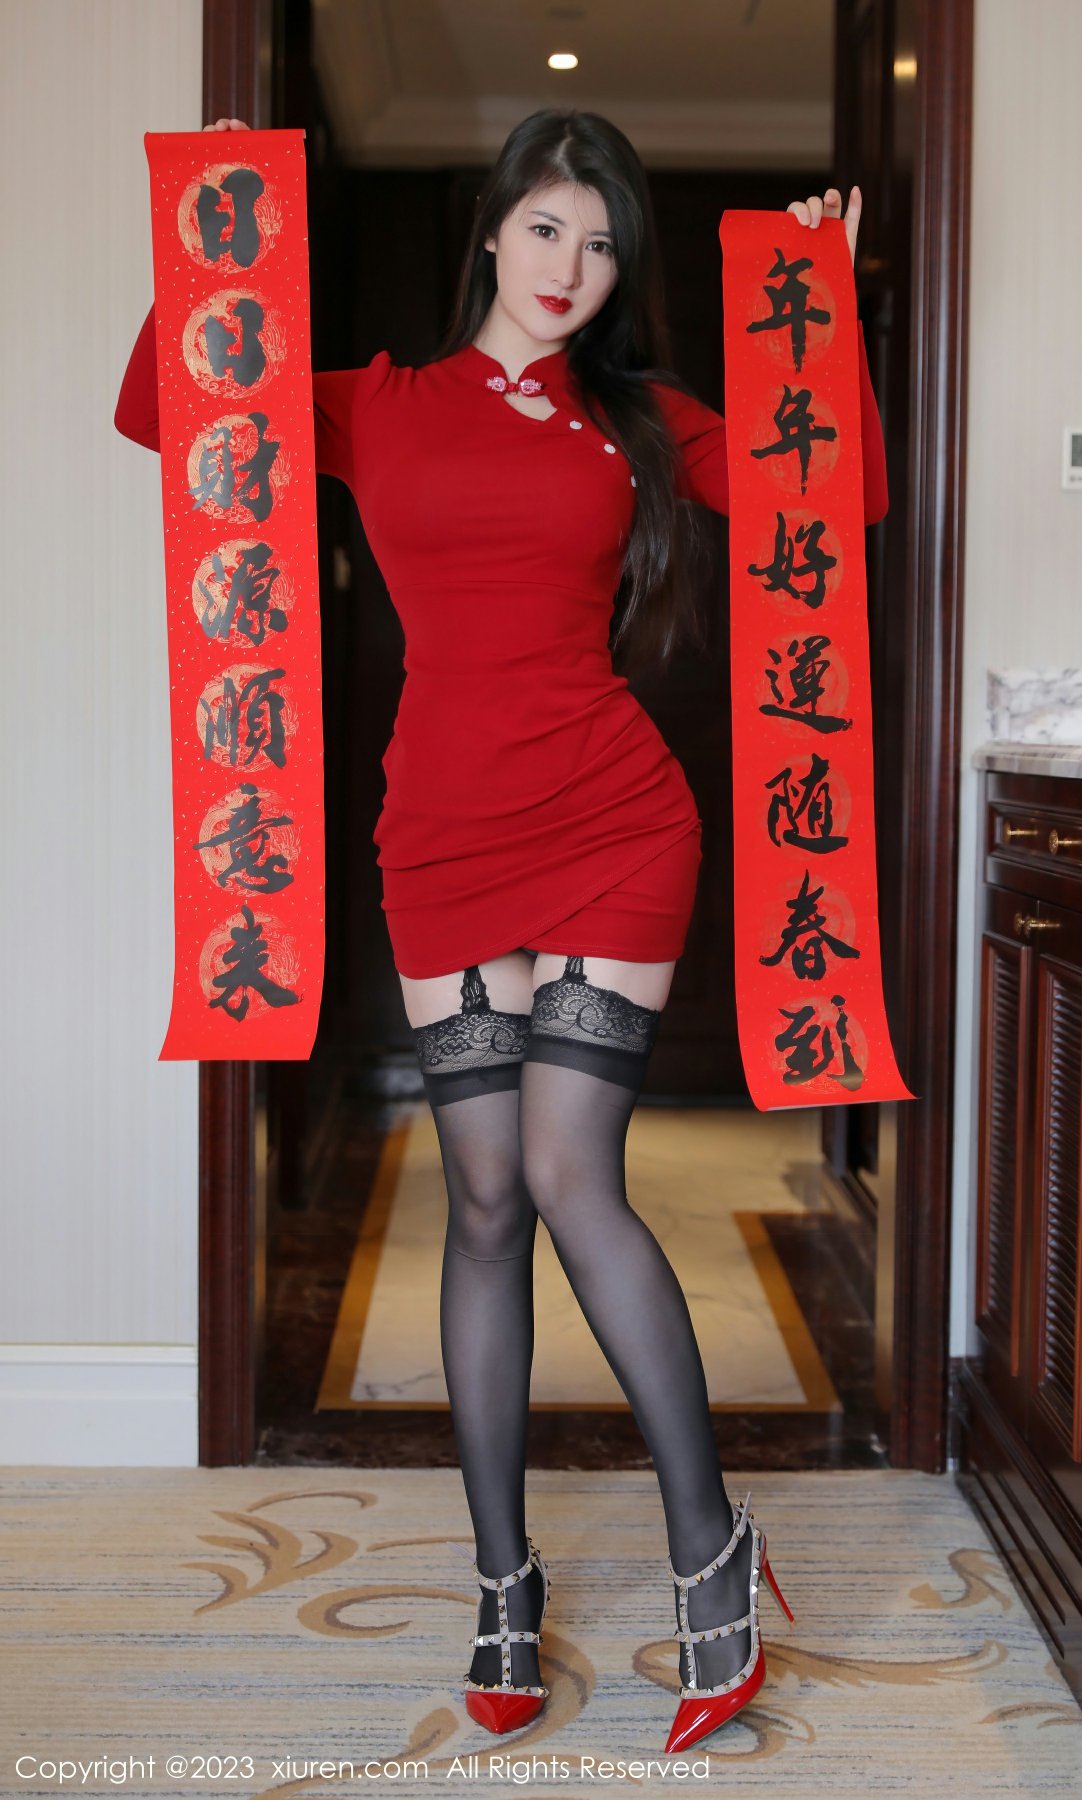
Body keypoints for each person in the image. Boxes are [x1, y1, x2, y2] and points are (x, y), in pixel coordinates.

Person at [115, 108, 888, 1753]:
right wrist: (210, 240)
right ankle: (501, 1582)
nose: (572, 269)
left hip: (613, 824)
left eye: (602, 246)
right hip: (444, 839)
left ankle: (711, 1556)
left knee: (563, 1175)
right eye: (549, 229)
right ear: (491, 229)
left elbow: (837, 493)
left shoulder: (636, 421)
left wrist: (819, 308)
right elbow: (164, 410)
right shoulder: (377, 403)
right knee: (477, 1201)